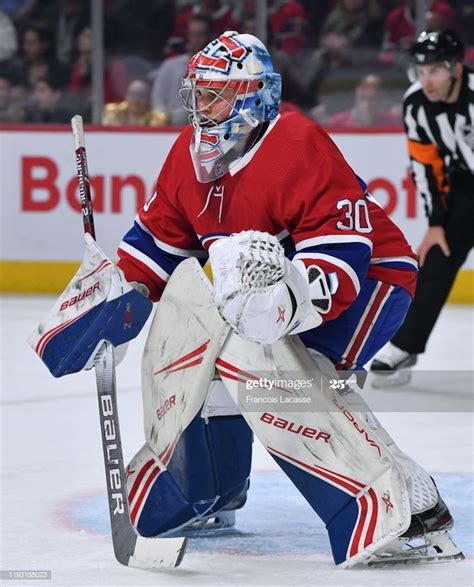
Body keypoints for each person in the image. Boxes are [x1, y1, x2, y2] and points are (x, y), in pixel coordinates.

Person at [114, 31, 461, 565]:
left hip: (374, 279)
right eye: (198, 93)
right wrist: (115, 299)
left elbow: (342, 252)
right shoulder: (187, 158)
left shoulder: (297, 143)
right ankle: (210, 492)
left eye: (215, 94)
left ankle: (413, 507)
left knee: (294, 379)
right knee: (213, 366)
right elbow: (156, 245)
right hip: (278, 296)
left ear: (252, 94)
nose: (200, 106)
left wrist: (287, 306)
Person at [371, 29, 474, 380]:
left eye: (436, 70)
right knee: (437, 255)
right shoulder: (416, 104)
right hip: (466, 187)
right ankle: (406, 345)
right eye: (421, 70)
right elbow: (425, 166)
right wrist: (436, 222)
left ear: (456, 69)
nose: (427, 80)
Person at [150, 13, 214, 124]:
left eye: (201, 35)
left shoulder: (219, 71)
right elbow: (157, 99)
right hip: (168, 129)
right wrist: (164, 118)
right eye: (192, 34)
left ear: (211, 36)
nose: (196, 39)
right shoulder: (169, 66)